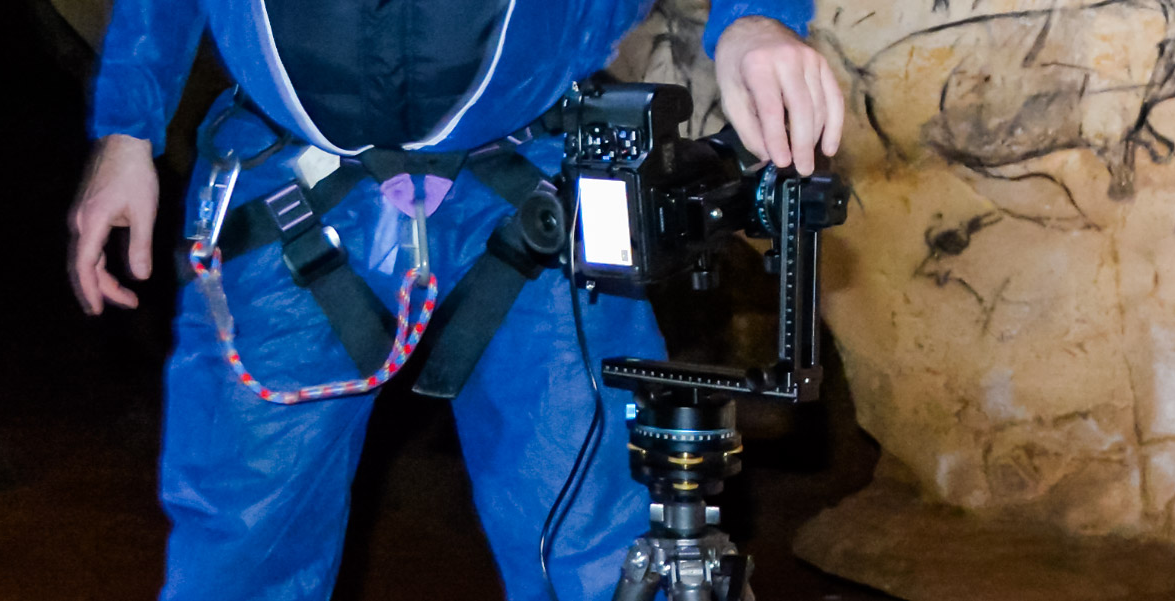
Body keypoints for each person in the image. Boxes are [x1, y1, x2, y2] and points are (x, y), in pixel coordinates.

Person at [66, 1, 845, 599]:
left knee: (599, 544)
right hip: (287, 190)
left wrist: (756, 16)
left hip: (529, 180)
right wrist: (127, 131)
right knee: (243, 543)